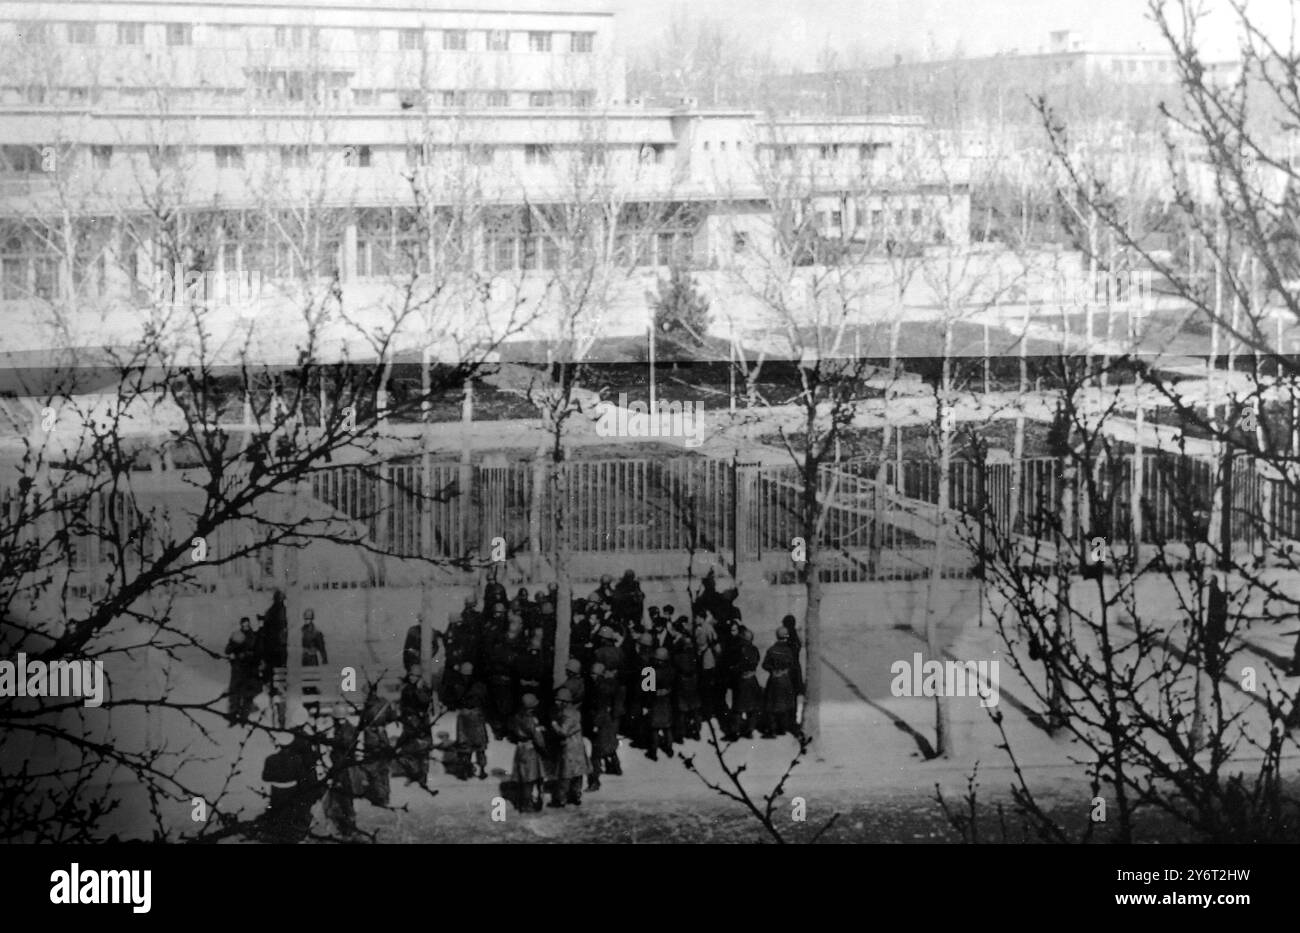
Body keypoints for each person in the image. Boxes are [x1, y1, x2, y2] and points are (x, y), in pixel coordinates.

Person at [259, 706, 321, 843]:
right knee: (300, 805)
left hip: (287, 779)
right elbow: (309, 761)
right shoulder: (305, 737)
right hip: (300, 775)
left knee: (281, 808)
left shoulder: (288, 735)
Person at [324, 702, 361, 837]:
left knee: (344, 799)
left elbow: (342, 746)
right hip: (344, 768)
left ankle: (348, 828)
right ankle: (347, 826)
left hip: (344, 770)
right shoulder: (346, 727)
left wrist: (329, 741)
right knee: (344, 799)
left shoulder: (345, 730)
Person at [549, 687, 589, 807]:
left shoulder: (566, 715)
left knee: (565, 775)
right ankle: (575, 797)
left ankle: (560, 800)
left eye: (558, 700)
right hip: (578, 746)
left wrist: (554, 724)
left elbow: (563, 732)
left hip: (569, 747)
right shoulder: (575, 712)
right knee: (577, 773)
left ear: (564, 701)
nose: (556, 702)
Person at [359, 684, 397, 807]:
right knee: (383, 768)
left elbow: (361, 724)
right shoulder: (384, 702)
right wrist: (382, 725)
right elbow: (392, 717)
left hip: (370, 738)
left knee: (373, 768)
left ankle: (379, 796)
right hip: (383, 737)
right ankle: (385, 795)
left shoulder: (368, 705)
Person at [508, 694, 547, 811]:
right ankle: (527, 805)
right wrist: (544, 749)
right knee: (530, 778)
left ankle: (523, 802)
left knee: (523, 777)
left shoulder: (517, 716)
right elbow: (537, 738)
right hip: (530, 750)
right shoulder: (531, 719)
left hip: (521, 748)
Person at [397, 665, 433, 786]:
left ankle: (423, 777)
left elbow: (425, 702)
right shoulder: (406, 688)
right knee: (407, 750)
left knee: (422, 751)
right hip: (409, 723)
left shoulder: (424, 688)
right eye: (411, 675)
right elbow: (403, 705)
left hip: (420, 723)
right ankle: (413, 774)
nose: (412, 677)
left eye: (415, 676)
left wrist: (419, 689)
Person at [762, 627, 801, 738]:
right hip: (785, 680)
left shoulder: (771, 650)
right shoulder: (789, 650)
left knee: (772, 705)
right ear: (786, 637)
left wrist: (773, 670)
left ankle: (772, 729)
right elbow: (792, 664)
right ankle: (783, 729)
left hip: (774, 679)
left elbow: (765, 665)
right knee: (784, 705)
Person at [727, 627, 762, 740]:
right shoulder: (755, 649)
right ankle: (749, 730)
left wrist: (733, 669)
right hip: (752, 680)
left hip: (741, 681)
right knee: (752, 708)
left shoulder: (739, 649)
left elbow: (737, 665)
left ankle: (734, 732)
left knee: (737, 708)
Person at [224, 619, 260, 722]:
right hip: (237, 668)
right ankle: (233, 713)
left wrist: (247, 654)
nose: (245, 626)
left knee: (248, 692)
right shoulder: (236, 635)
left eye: (247, 624)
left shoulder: (254, 636)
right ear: (241, 625)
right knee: (234, 690)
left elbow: (258, 651)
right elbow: (227, 650)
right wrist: (232, 650)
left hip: (250, 668)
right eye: (243, 624)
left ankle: (245, 715)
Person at [648, 646, 676, 760]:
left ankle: (653, 752)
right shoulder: (671, 670)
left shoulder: (650, 671)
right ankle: (669, 749)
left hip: (655, 702)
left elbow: (646, 690)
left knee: (654, 728)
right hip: (666, 701)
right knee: (667, 727)